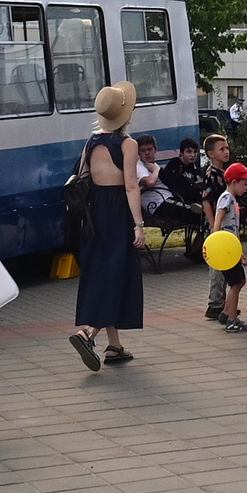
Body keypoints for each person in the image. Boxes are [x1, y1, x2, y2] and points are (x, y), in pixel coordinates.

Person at [68, 82, 146, 371]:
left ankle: (115, 346)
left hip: (94, 214)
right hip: (117, 212)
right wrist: (138, 225)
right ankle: (88, 333)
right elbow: (130, 186)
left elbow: (83, 177)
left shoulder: (91, 142)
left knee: (103, 272)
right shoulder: (128, 145)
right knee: (118, 274)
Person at [208, 157, 247, 323]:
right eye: (245, 184)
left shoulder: (232, 199)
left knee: (239, 281)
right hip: (224, 248)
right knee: (236, 283)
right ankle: (232, 319)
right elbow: (218, 219)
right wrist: (216, 240)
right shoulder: (226, 198)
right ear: (234, 182)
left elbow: (233, 229)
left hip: (230, 247)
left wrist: (239, 252)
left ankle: (226, 313)